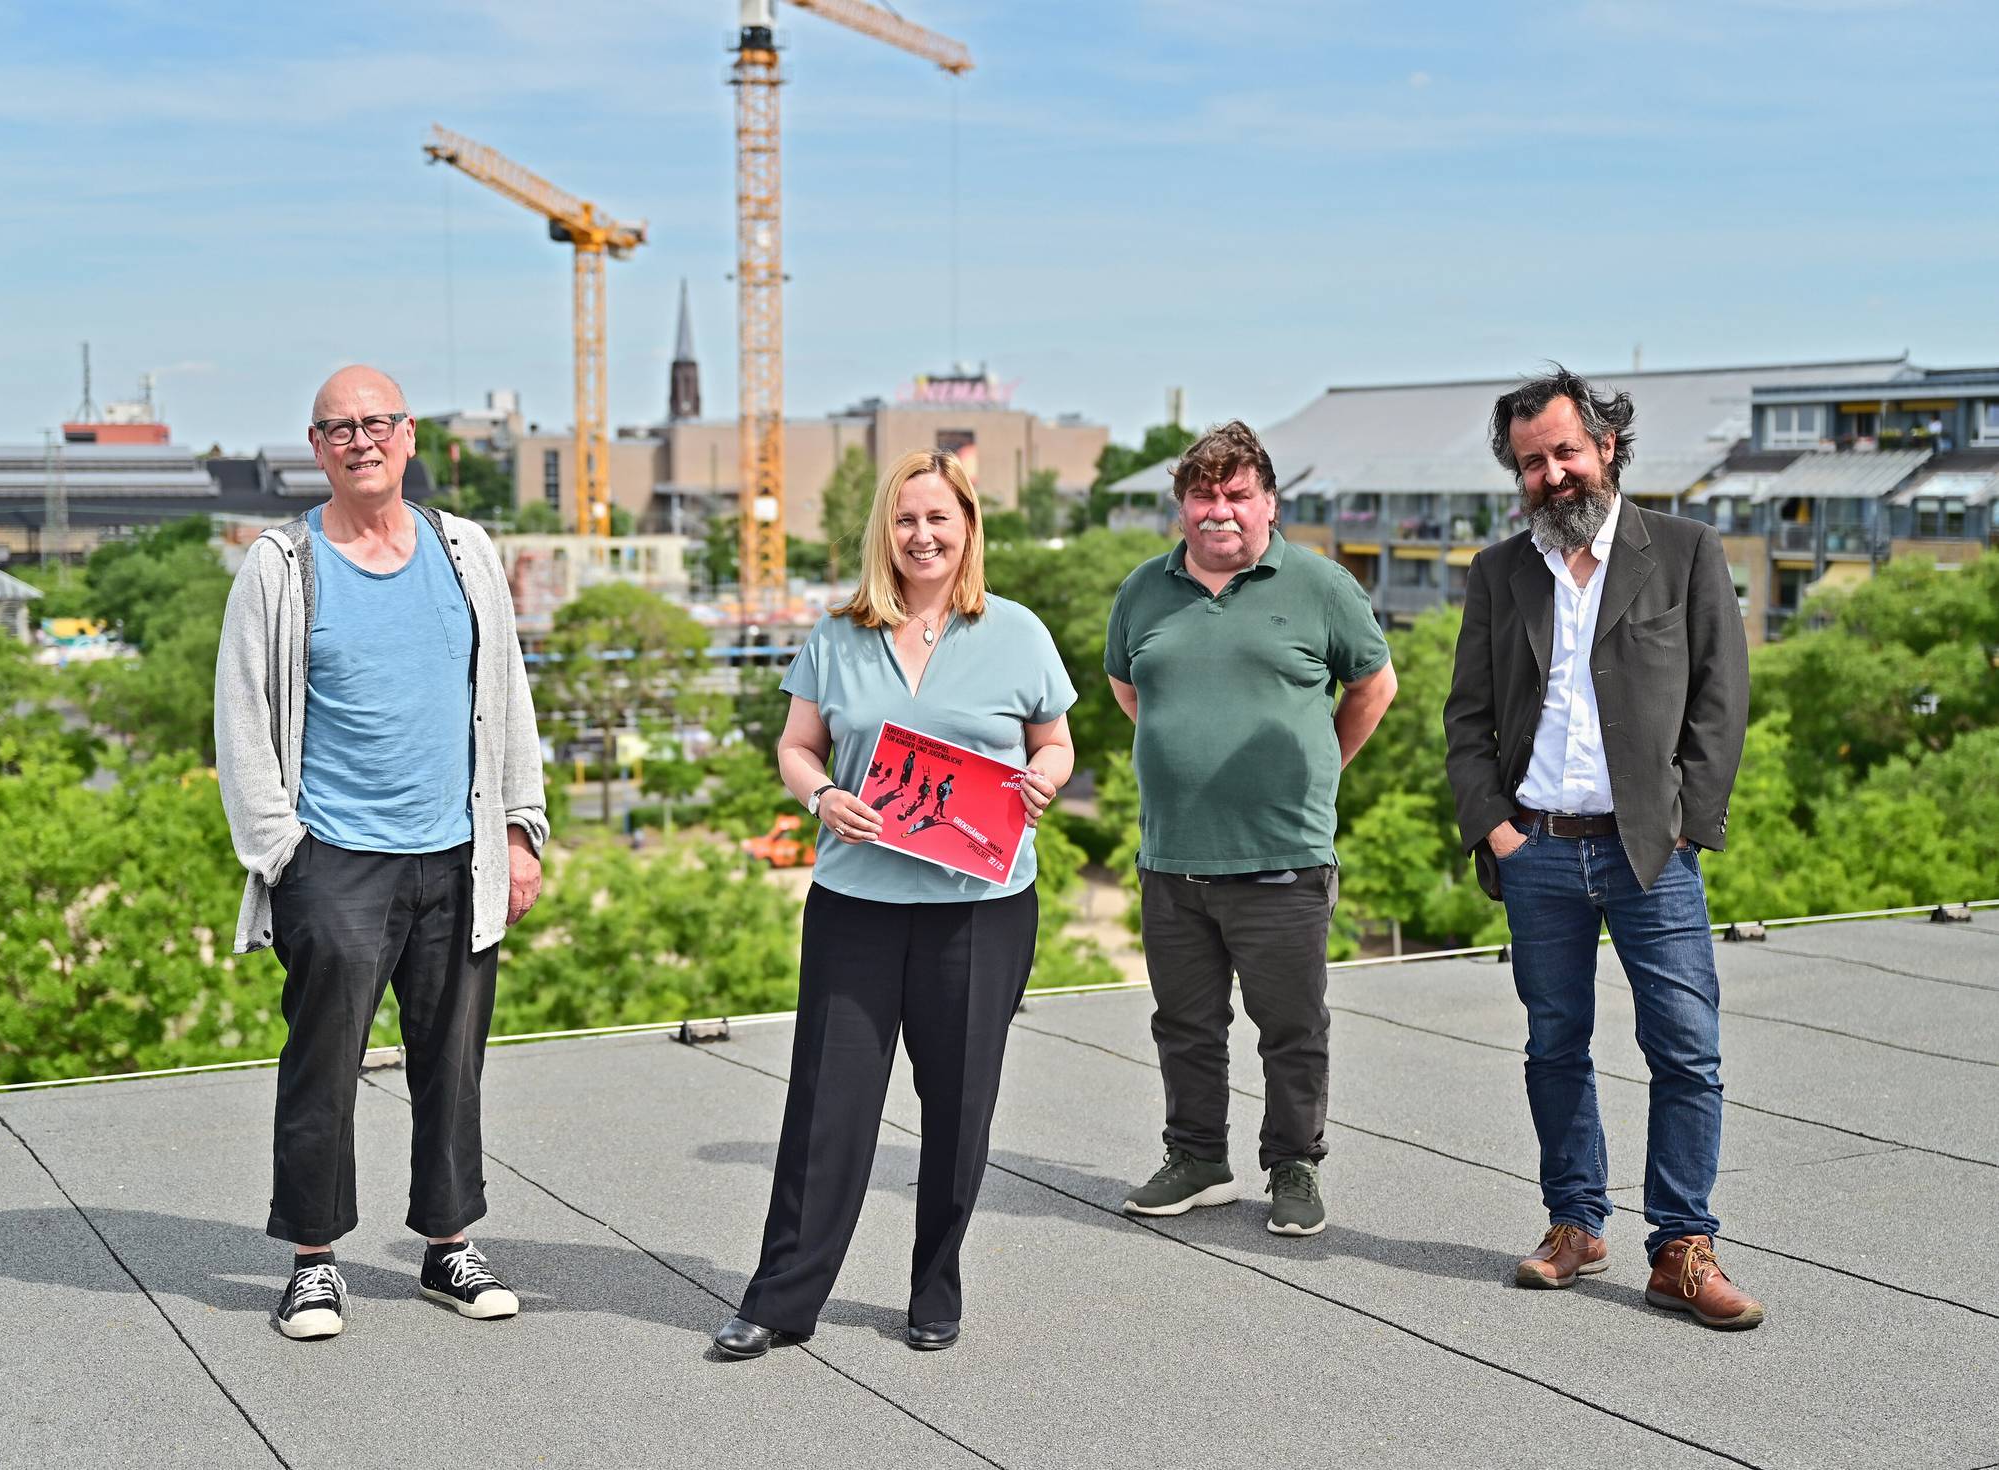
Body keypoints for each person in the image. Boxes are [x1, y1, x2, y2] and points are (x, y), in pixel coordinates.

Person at [713, 450, 1075, 1359]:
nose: (923, 535)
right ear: (887, 530)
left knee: (959, 1105)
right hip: (856, 905)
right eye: (907, 519)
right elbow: (798, 748)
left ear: (967, 531)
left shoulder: (1018, 632)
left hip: (980, 908)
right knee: (826, 1105)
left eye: (939, 520)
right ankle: (782, 1297)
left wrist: (1040, 781)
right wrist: (818, 797)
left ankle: (934, 1287)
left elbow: (1057, 744)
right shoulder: (835, 636)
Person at [215, 365, 548, 1341]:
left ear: (410, 440)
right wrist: (287, 858)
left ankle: (447, 1246)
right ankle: (313, 1263)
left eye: (377, 423)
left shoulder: (465, 549)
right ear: (315, 450)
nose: (360, 440)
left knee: (453, 1062)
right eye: (338, 428)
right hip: (338, 863)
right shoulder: (281, 566)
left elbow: (509, 692)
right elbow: (241, 723)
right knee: (325, 1064)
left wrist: (521, 828)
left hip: (457, 853)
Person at [1443, 367, 1761, 1329]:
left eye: (1565, 453)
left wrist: (1687, 827)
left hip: (1649, 854)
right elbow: (1465, 717)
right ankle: (1576, 1224)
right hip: (1536, 848)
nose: (1552, 475)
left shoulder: (1686, 551)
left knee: (1686, 1051)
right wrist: (1492, 824)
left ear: (1607, 447)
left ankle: (1681, 1248)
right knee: (1554, 1047)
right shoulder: (1499, 572)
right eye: (1532, 462)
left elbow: (1720, 700)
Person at [1104, 421, 1396, 1236]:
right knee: (1184, 1025)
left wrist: (1323, 766)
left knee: (1292, 1027)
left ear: (1269, 501)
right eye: (1203, 495)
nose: (1219, 510)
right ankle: (1198, 1159)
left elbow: (1374, 685)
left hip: (1283, 857)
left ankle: (1293, 1165)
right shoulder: (1142, 591)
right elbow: (1132, 691)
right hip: (1172, 858)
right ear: (1183, 505)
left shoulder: (1320, 585)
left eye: (1237, 495)